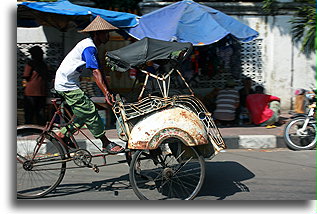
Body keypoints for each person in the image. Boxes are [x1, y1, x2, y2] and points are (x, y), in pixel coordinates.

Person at [54, 16, 124, 154]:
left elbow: (101, 71)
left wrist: (108, 92)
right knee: (90, 110)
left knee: (82, 113)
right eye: (105, 33)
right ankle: (106, 143)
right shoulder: (89, 47)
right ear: (97, 34)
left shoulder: (91, 46)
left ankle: (63, 134)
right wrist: (105, 94)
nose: (108, 36)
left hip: (68, 82)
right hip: (66, 84)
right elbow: (95, 72)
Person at [23, 46, 49, 125]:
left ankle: (28, 129)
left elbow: (26, 75)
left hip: (30, 92)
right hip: (42, 92)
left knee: (29, 113)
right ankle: (40, 129)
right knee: (40, 112)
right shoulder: (43, 64)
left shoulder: (30, 64)